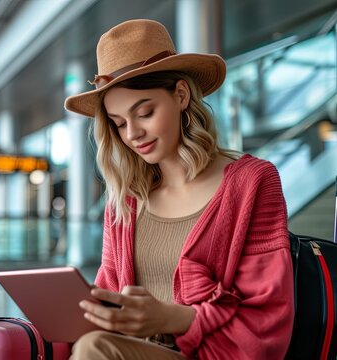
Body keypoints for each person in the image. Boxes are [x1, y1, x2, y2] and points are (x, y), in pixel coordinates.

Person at [64, 19, 294, 359]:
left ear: (181, 95)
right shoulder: (125, 200)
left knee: (94, 349)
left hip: (214, 354)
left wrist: (170, 317)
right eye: (119, 123)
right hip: (131, 351)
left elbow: (267, 316)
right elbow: (108, 295)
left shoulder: (252, 182)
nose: (132, 135)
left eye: (145, 113)